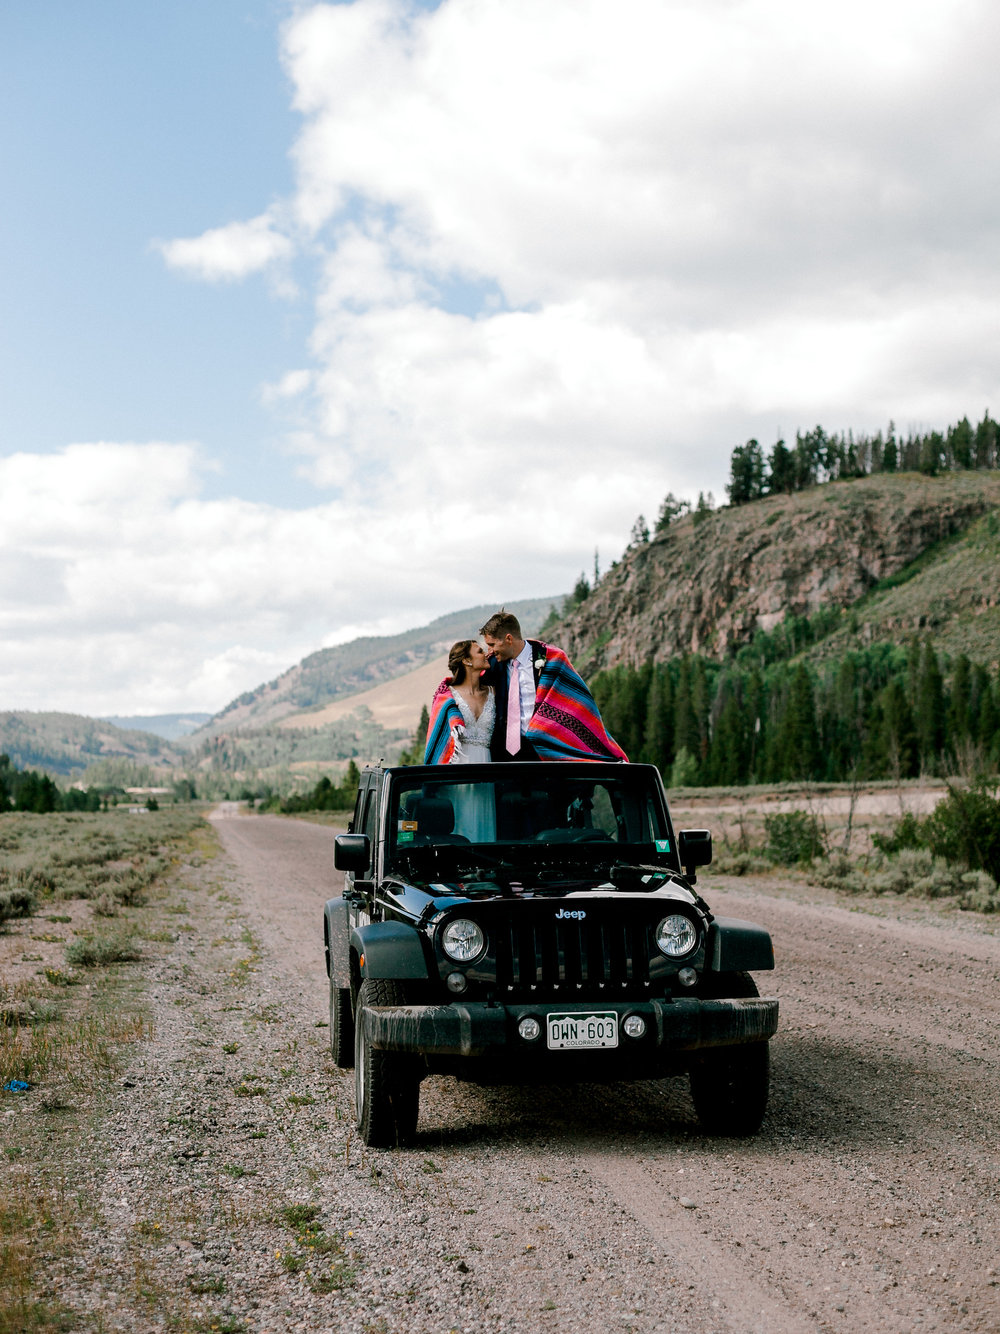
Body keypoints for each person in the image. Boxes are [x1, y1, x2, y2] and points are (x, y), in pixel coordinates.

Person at [480, 609, 628, 763]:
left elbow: (577, 702)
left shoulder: (553, 659)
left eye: (492, 645)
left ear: (508, 639)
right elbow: (468, 682)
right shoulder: (493, 664)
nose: (489, 651)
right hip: (506, 753)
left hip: (545, 751)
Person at [424, 640, 494, 764]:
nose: (486, 654)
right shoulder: (447, 698)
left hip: (486, 765)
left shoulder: (493, 692)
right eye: (480, 652)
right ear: (467, 661)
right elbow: (437, 738)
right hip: (457, 769)